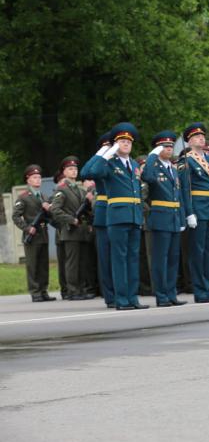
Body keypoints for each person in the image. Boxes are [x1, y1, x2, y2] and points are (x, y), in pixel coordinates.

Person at [91, 123, 148, 310]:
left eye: (128, 142)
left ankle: (133, 298)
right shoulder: (109, 163)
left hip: (133, 215)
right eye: (122, 141)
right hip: (117, 216)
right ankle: (121, 299)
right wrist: (106, 153)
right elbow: (92, 172)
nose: (126, 144)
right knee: (119, 258)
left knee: (133, 258)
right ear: (116, 144)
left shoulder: (132, 164)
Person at [142, 131, 187, 307]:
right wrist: (151, 156)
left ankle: (171, 293)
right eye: (164, 147)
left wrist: (182, 219)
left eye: (170, 147)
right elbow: (147, 177)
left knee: (173, 258)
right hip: (161, 218)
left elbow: (179, 197)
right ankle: (161, 295)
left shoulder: (173, 170)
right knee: (160, 259)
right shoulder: (154, 167)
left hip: (175, 218)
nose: (168, 149)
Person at [180, 123, 209, 303]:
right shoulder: (186, 160)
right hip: (197, 209)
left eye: (203, 136)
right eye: (197, 136)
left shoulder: (208, 158)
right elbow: (185, 189)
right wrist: (189, 212)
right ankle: (199, 290)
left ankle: (208, 287)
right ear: (189, 141)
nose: (201, 139)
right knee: (198, 251)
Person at [50, 156, 96, 300]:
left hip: (81, 230)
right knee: (72, 263)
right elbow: (55, 210)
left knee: (82, 262)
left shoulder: (81, 190)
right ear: (64, 172)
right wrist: (70, 220)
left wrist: (89, 202)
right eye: (70, 169)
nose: (74, 171)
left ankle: (81, 288)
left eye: (75, 169)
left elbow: (86, 210)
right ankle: (72, 290)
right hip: (70, 231)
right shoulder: (62, 189)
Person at [80, 131, 115, 307]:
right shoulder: (100, 162)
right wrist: (101, 154)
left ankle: (124, 291)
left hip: (121, 213)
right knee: (105, 256)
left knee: (120, 256)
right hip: (104, 212)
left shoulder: (119, 162)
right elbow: (86, 172)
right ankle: (110, 296)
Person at [12, 164, 55, 302]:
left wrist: (49, 209)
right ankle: (35, 292)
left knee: (43, 264)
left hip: (43, 233)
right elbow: (16, 216)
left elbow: (49, 217)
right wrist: (26, 227)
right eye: (34, 177)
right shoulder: (24, 197)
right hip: (32, 235)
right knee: (33, 264)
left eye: (39, 177)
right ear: (28, 180)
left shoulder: (43, 196)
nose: (38, 180)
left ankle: (43, 291)